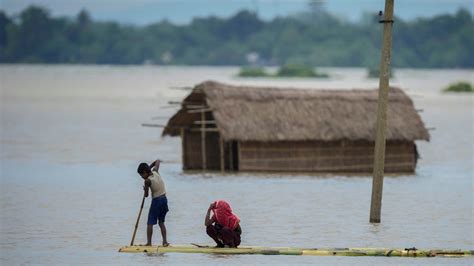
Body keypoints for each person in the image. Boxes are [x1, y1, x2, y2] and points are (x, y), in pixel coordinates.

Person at [137, 160, 169, 247]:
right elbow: (157, 161)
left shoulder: (147, 181)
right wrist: (149, 168)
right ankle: (165, 242)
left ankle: (149, 243)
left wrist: (145, 189)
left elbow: (146, 195)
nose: (142, 177)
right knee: (161, 222)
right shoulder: (155, 172)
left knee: (150, 223)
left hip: (157, 201)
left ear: (144, 172)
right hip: (164, 199)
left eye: (141, 175)